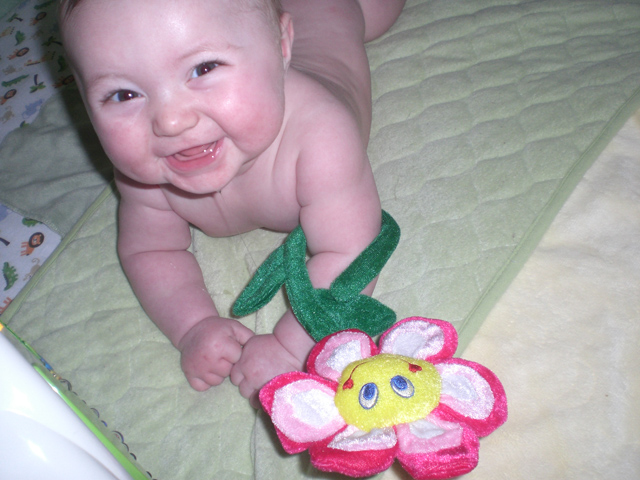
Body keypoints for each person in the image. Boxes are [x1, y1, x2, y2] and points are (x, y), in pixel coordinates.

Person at [58, 0, 405, 404]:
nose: (170, 121)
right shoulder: (146, 174)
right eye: (124, 94)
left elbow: (352, 251)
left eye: (204, 69)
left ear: (282, 46)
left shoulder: (321, 137)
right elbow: (150, 250)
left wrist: (291, 344)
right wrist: (192, 325)